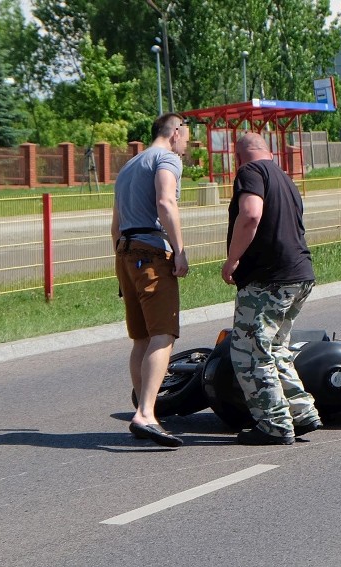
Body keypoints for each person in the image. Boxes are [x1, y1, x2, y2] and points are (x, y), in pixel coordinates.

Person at [221, 132, 322, 445]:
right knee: (277, 348)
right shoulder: (285, 178)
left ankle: (274, 425)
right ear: (268, 150)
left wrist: (232, 259)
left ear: (238, 157)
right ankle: (303, 414)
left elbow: (251, 214)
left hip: (268, 280)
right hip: (299, 275)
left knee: (249, 352)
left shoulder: (250, 173)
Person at [112, 112, 190, 447]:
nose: (187, 145)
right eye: (186, 137)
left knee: (141, 338)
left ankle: (147, 410)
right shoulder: (167, 158)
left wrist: (121, 265)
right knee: (163, 334)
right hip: (152, 253)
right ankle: (145, 413)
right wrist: (180, 249)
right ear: (175, 132)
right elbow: (165, 202)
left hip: (125, 252)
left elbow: (115, 225)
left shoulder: (129, 167)